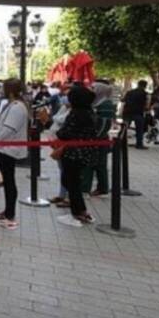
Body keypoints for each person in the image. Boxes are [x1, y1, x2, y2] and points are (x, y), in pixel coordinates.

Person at [0, 78, 29, 230]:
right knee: (8, 180)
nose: (1, 91)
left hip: (7, 149)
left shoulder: (17, 107)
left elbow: (8, 129)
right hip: (4, 147)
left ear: (10, 91)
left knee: (9, 181)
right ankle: (8, 211)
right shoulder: (14, 105)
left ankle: (10, 215)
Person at [55, 85, 99, 226]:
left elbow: (65, 133)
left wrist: (58, 132)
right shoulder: (90, 112)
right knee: (73, 182)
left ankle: (78, 213)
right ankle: (81, 211)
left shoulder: (76, 113)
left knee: (70, 182)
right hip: (85, 152)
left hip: (73, 152)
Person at [82, 81, 115, 197]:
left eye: (93, 88)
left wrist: (95, 138)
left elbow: (105, 124)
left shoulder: (105, 104)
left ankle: (87, 188)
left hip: (98, 139)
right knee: (98, 164)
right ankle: (101, 188)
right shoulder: (98, 101)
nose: (91, 90)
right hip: (98, 138)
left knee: (94, 164)